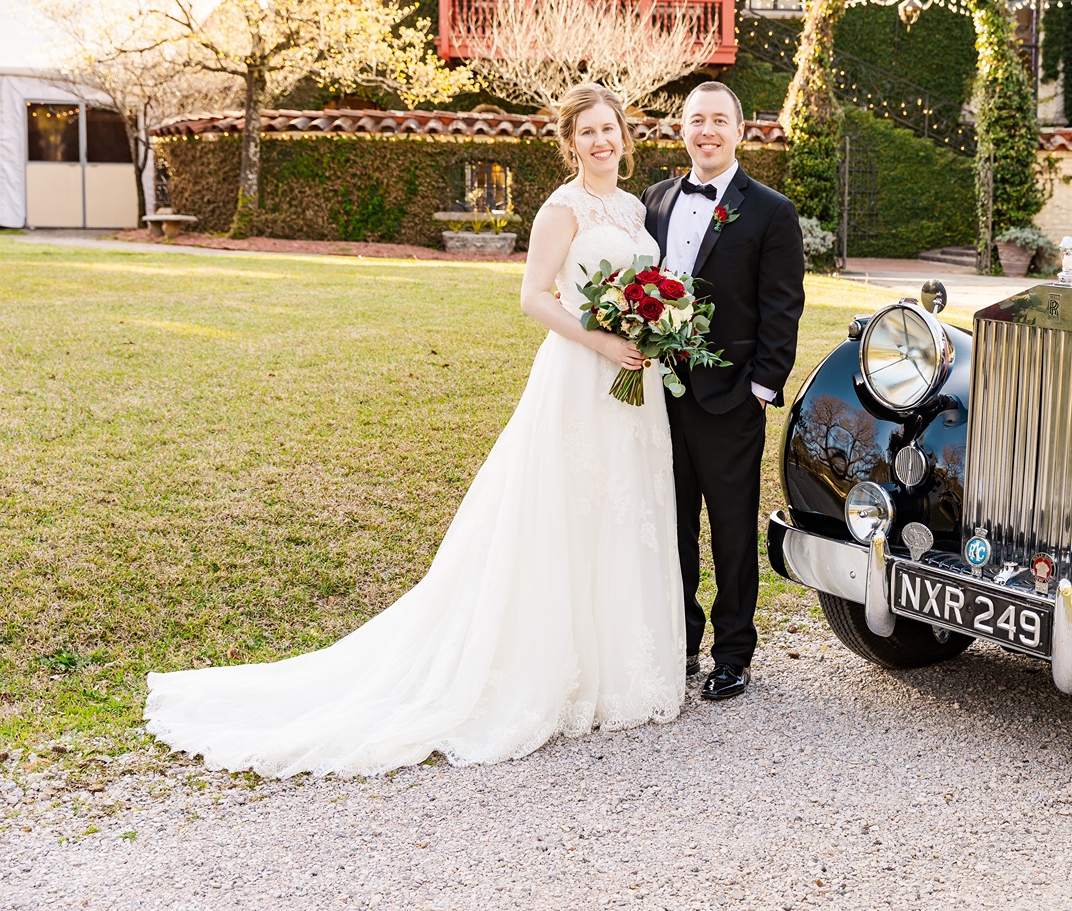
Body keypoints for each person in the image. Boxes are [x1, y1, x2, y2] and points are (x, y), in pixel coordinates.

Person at [143, 84, 685, 778]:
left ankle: (619, 674)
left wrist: (648, 329)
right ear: (570, 143)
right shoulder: (562, 208)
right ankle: (557, 671)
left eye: (610, 129)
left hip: (633, 389)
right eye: (588, 133)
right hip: (581, 377)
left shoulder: (636, 209)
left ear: (625, 135)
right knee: (569, 513)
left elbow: (647, 287)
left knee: (621, 512)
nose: (602, 141)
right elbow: (532, 297)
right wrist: (601, 342)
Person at [642, 81, 805, 701]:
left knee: (732, 528)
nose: (706, 131)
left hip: (730, 395)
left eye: (719, 121)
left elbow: (782, 307)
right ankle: (682, 638)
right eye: (695, 121)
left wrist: (759, 390)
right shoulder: (655, 199)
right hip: (660, 393)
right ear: (682, 129)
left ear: (740, 131)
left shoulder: (769, 210)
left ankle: (733, 650)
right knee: (672, 519)